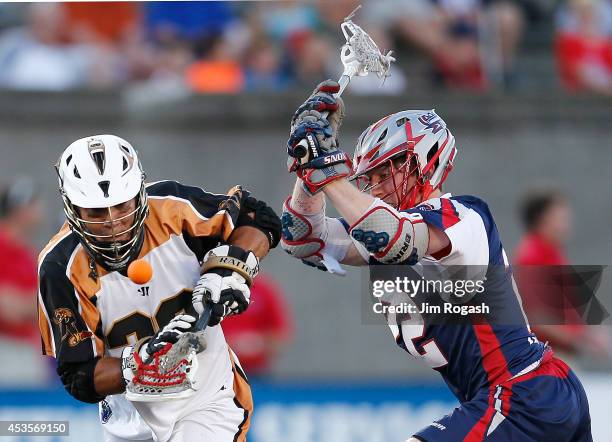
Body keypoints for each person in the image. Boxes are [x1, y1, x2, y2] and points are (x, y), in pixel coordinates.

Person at [280, 80, 592, 441]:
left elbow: (394, 237)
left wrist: (326, 167)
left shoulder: (463, 215)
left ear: (426, 161)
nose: (377, 186)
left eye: (386, 173)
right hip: (514, 397)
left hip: (524, 393)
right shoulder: (380, 229)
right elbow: (301, 237)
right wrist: (308, 168)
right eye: (371, 178)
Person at [37, 135, 281, 442]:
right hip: (129, 421)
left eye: (121, 205)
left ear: (139, 192)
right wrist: (135, 366)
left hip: (207, 400)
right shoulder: (60, 267)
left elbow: (259, 218)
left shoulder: (173, 210)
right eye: (97, 212)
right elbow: (79, 376)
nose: (113, 221)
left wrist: (231, 268)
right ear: (73, 208)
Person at [514, 187, 608, 360]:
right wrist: (580, 340)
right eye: (560, 216)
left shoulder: (550, 253)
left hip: (556, 353)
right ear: (542, 219)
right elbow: (536, 316)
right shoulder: (533, 256)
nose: (567, 222)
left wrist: (587, 334)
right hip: (549, 355)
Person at [221, 273, 293, 377]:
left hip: (257, 373)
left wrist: (257, 343)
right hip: (220, 370)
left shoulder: (263, 289)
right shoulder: (213, 288)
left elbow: (281, 335)